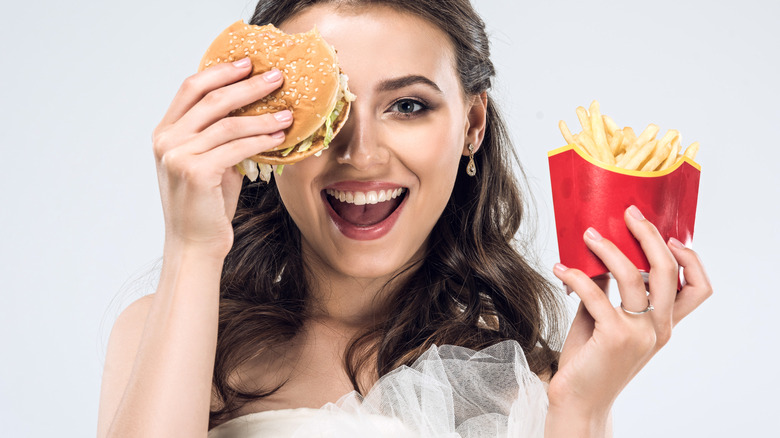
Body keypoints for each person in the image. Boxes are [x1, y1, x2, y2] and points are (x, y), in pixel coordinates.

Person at [96, 0, 712, 436]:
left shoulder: (534, 376)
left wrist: (581, 410)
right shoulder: (168, 329)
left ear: (472, 125)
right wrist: (193, 248)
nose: (360, 155)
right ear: (266, 133)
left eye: (408, 105)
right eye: (330, 108)